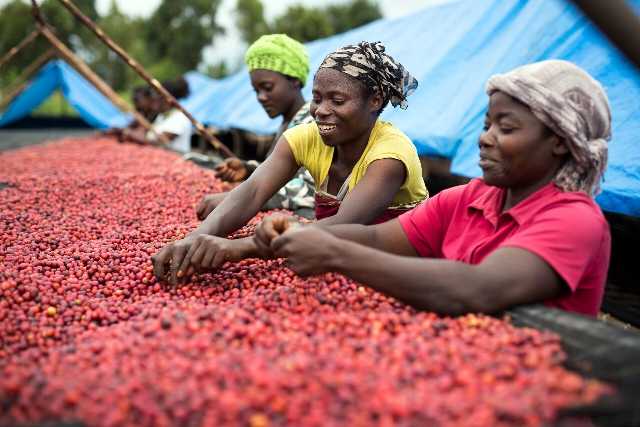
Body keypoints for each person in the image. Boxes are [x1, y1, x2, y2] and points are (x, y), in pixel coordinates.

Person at [252, 60, 612, 317]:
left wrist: (334, 254)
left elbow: (478, 288)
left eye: (507, 128)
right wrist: (296, 233)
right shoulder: (467, 199)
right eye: (487, 124)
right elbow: (376, 239)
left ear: (561, 142)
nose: (485, 139)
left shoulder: (574, 220)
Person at [152, 41, 428, 284]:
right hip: (331, 263)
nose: (321, 111)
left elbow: (344, 224)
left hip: (399, 271)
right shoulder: (305, 137)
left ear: (375, 101)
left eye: (337, 100)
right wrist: (195, 238)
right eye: (317, 98)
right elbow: (253, 191)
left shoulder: (390, 155)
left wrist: (239, 248)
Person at [196, 34, 315, 219]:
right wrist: (248, 169)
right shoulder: (287, 122)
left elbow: (309, 190)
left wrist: (236, 199)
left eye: (267, 87)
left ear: (295, 81)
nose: (261, 97)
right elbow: (286, 174)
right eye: (256, 90)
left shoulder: (312, 123)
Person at [121, 77, 193, 153]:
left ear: (166, 99)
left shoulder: (179, 118)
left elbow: (158, 142)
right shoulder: (161, 117)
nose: (154, 101)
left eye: (157, 97)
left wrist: (129, 133)